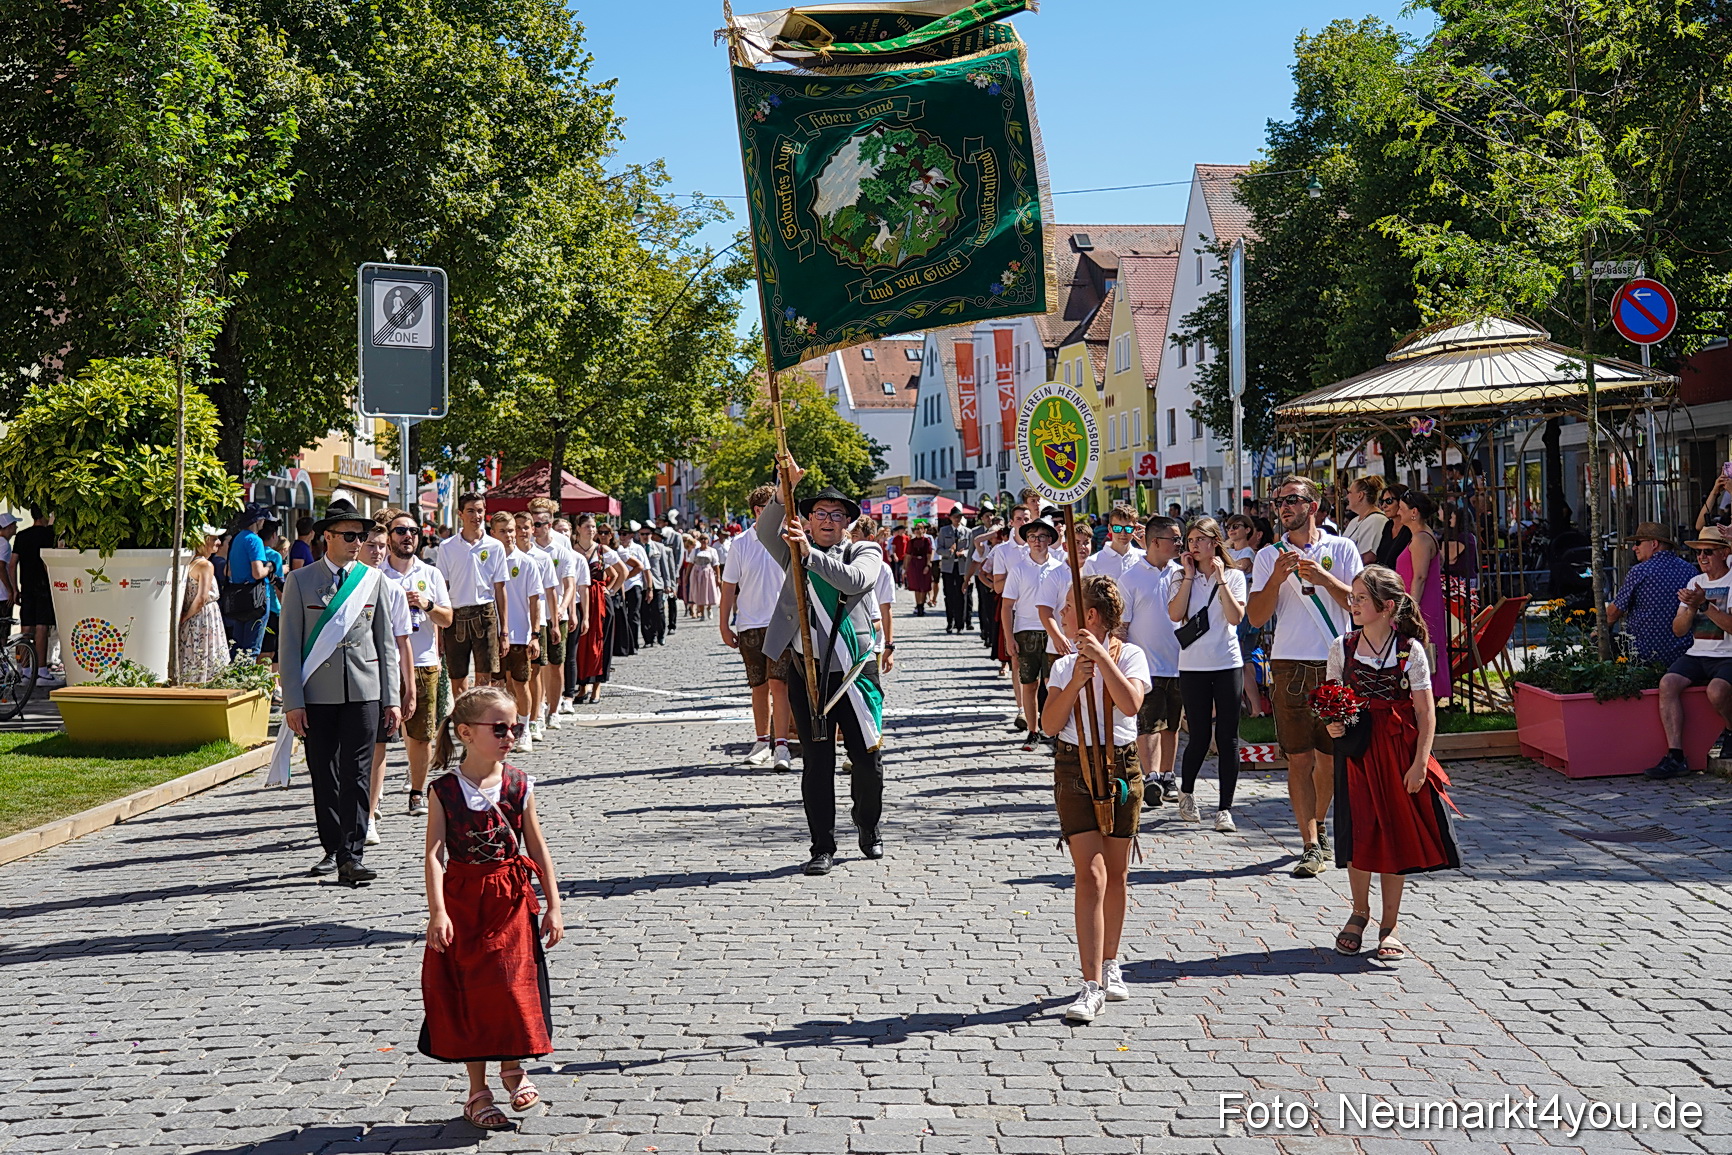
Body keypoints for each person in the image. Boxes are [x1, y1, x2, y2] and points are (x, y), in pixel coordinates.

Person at [420, 686, 562, 1130]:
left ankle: (514, 1068)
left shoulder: (519, 783)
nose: (510, 735)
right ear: (465, 732)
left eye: (514, 727)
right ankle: (477, 1090)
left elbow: (537, 847)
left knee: (513, 984)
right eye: (499, 728)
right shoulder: (444, 789)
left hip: (510, 900)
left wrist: (554, 905)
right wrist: (438, 912)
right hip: (464, 900)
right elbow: (434, 854)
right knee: (470, 992)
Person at [756, 462, 887, 875]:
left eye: (836, 515)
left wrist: (810, 556)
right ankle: (821, 845)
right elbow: (764, 531)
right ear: (808, 519)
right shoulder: (792, 549)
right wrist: (784, 488)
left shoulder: (865, 551)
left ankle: (867, 824)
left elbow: (854, 582)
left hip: (854, 671)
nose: (827, 521)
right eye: (819, 514)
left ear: (849, 522)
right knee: (816, 761)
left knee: (867, 759)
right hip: (806, 668)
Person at [1327, 566, 1461, 962]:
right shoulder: (1343, 646)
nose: (1352, 604)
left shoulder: (1409, 649)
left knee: (1393, 831)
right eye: (1352, 598)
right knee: (1359, 830)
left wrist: (1421, 762)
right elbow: (1332, 698)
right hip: (1357, 750)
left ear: (1386, 607)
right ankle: (1358, 912)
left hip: (1397, 749)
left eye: (1360, 599)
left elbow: (1425, 711)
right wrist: (1332, 722)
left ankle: (1391, 924)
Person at [1039, 575, 1149, 1024]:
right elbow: (1048, 724)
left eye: (1068, 607)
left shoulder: (1134, 655)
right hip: (1073, 766)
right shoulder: (1064, 666)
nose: (1061, 615)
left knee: (1118, 873)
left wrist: (1103, 660)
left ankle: (1111, 961)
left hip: (1121, 766)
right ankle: (1090, 984)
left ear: (1090, 616)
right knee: (1091, 874)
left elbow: (1130, 705)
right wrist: (1075, 683)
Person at [280, 498, 402, 884]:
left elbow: (386, 645)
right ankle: (333, 846)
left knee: (358, 773)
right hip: (318, 694)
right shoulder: (300, 581)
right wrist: (293, 701)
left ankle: (353, 854)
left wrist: (392, 697)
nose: (357, 542)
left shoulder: (372, 580)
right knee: (325, 773)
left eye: (361, 535)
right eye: (349, 535)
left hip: (363, 690)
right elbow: (289, 646)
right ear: (326, 537)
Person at [1248, 475, 1363, 879]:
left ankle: (1321, 826)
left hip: (1333, 663)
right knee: (1297, 759)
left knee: (1329, 760)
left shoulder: (1341, 548)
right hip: (1289, 665)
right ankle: (1310, 843)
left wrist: (1325, 578)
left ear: (1312, 506)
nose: (1282, 507)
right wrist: (1278, 579)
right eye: (1278, 500)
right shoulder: (1268, 556)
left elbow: (1357, 603)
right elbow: (1256, 617)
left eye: (1292, 500)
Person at [1168, 518, 1248, 832]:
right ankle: (1186, 792)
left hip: (1227, 662)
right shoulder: (1179, 576)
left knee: (1228, 737)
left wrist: (1222, 580)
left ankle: (1224, 808)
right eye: (1190, 540)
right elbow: (1175, 615)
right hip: (1192, 665)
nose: (1195, 546)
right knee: (1199, 735)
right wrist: (1188, 577)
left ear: (1215, 541)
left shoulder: (1235, 576)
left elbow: (1235, 617)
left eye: (1201, 539)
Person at [378, 508, 454, 819]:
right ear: (389, 536)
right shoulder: (376, 573)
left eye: (413, 531)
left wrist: (426, 604)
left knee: (421, 733)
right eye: (400, 531)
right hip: (383, 663)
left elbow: (447, 619)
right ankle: (375, 796)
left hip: (423, 661)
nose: (408, 536)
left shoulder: (430, 574)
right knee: (379, 734)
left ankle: (416, 792)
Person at [1648, 526, 1732, 779]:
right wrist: (1691, 608)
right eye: (1698, 552)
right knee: (1668, 683)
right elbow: (1678, 629)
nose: (1702, 557)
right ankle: (1675, 755)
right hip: (1698, 653)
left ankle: (1730, 731)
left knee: (1716, 691)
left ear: (1725, 553)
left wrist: (1704, 605)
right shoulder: (1694, 582)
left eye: (1709, 551)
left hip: (1728, 654)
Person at [721, 485, 795, 770]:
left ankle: (782, 745)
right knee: (758, 686)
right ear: (758, 511)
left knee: (780, 684)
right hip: (750, 623)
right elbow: (728, 587)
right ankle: (762, 741)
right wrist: (724, 624)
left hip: (783, 623)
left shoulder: (789, 539)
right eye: (771, 508)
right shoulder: (741, 543)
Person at [360, 522, 417, 846]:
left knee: (379, 747)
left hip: (384, 679)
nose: (378, 552)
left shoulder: (392, 588)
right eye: (372, 545)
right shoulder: (346, 585)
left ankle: (369, 814)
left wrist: (407, 689)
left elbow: (403, 643)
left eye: (382, 546)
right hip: (353, 679)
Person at [1120, 515, 1184, 802]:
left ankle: (1169, 775)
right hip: (1145, 664)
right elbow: (1121, 626)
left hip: (1180, 662)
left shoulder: (1181, 573)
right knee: (1148, 725)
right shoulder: (1130, 578)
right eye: (1175, 539)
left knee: (1173, 724)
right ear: (1156, 542)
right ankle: (1151, 776)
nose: (1180, 544)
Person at [435, 493, 509, 694]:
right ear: (460, 514)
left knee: (484, 680)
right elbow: (441, 587)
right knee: (457, 678)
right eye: (471, 511)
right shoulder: (447, 546)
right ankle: (462, 721)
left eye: (480, 511)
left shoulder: (495, 546)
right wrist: (438, 631)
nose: (476, 516)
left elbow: (500, 589)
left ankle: (480, 723)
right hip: (456, 614)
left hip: (485, 612)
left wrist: (504, 631)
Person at [1001, 517, 1064, 750]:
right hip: (1026, 631)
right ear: (1026, 541)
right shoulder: (1019, 569)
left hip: (1054, 631)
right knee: (1030, 684)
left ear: (1050, 539)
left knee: (1054, 683)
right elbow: (1007, 606)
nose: (1037, 541)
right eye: (1032, 537)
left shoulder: (1060, 567)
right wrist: (1009, 638)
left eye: (1042, 536)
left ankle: (1054, 729)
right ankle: (1033, 730)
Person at [1608, 522, 1696, 666]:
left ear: (1654, 544)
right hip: (1683, 653)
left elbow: (1614, 612)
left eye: (1638, 543)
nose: (1634, 547)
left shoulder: (1640, 571)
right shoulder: (1690, 570)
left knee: (1602, 641)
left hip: (1644, 653)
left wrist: (1598, 631)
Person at [1393, 491, 1450, 701]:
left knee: (1422, 647)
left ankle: (1425, 696)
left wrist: (1410, 609)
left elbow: (1419, 577)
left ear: (1414, 512)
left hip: (1421, 604)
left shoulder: (1420, 539)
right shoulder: (1423, 537)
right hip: (1422, 601)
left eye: (1402, 508)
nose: (1398, 512)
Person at [529, 499, 581, 729]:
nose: (535, 528)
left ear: (549, 524)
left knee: (556, 662)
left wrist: (565, 610)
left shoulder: (561, 547)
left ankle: (554, 707)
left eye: (540, 524)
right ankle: (538, 707)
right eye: (533, 523)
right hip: (535, 612)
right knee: (537, 664)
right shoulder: (526, 546)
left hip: (556, 611)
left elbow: (569, 584)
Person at [495, 512, 544, 753]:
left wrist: (535, 634)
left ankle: (524, 730)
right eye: (503, 531)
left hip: (519, 633)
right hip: (493, 634)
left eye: (512, 530)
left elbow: (535, 601)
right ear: (493, 533)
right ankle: (501, 730)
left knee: (520, 683)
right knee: (497, 686)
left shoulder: (526, 562)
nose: (509, 536)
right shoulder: (489, 560)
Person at [570, 515, 616, 704]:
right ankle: (582, 686)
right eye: (587, 526)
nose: (591, 530)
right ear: (578, 528)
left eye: (593, 527)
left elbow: (620, 572)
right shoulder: (571, 551)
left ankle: (597, 686)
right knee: (581, 644)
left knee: (601, 643)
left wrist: (608, 589)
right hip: (580, 599)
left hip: (600, 601)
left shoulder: (602, 550)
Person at [10, 508, 57, 683]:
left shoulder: (22, 535)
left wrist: (14, 589)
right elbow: (48, 563)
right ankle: (42, 670)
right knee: (42, 627)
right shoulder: (48, 535)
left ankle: (24, 670)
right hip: (44, 586)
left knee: (26, 627)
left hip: (26, 585)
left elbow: (12, 564)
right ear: (46, 514)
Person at [223, 504, 274, 659]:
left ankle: (236, 680)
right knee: (252, 649)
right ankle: (247, 682)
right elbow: (258, 573)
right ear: (257, 520)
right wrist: (271, 567)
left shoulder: (237, 538)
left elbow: (228, 571)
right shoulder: (254, 540)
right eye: (263, 518)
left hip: (237, 597)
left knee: (238, 646)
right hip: (255, 598)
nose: (264, 522)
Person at [178, 526, 228, 683]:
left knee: (193, 656)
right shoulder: (206, 565)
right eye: (214, 539)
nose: (218, 542)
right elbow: (201, 598)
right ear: (204, 541)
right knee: (208, 657)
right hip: (205, 617)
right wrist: (186, 617)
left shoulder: (189, 562)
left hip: (193, 615)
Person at [1083, 505, 1143, 585]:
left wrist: (1147, 545)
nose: (1123, 533)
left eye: (1128, 528)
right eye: (1117, 528)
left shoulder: (1144, 558)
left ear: (1135, 529)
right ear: (1109, 528)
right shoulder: (1093, 562)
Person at [635, 522, 672, 647]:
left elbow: (665, 567)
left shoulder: (659, 547)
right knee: (645, 613)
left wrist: (668, 584)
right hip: (641, 584)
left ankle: (661, 634)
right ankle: (648, 639)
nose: (645, 536)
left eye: (648, 534)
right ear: (639, 535)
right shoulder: (635, 548)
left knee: (658, 611)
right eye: (643, 534)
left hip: (657, 584)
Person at [936, 507, 971, 633]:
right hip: (948, 568)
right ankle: (950, 622)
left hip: (962, 568)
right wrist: (949, 552)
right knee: (949, 595)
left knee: (961, 595)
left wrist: (964, 553)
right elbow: (938, 549)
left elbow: (971, 550)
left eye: (960, 517)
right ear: (950, 518)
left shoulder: (967, 532)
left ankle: (960, 624)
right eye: (955, 517)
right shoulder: (944, 531)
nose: (958, 519)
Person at [617, 522, 648, 655]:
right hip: (620, 585)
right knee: (622, 615)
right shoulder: (616, 549)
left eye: (625, 534)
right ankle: (625, 643)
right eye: (620, 534)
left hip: (634, 584)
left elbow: (645, 568)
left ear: (631, 535)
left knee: (633, 615)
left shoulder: (638, 549)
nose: (622, 537)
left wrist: (649, 587)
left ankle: (634, 643)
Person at [1343, 477, 1387, 565]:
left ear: (1360, 495)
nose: (1347, 496)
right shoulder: (1354, 521)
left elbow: (1368, 557)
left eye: (1350, 492)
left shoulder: (1376, 520)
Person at [659, 513, 686, 631]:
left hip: (672, 572)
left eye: (659, 521)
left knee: (671, 598)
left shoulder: (675, 536)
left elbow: (679, 556)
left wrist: (676, 573)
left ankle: (672, 624)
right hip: (660, 572)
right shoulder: (657, 535)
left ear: (666, 522)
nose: (657, 523)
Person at [1373, 487, 1412, 569]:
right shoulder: (1388, 525)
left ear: (1401, 502)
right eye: (1382, 501)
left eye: (1389, 501)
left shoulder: (1410, 528)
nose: (1384, 506)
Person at [686, 534, 721, 620]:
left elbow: (716, 565)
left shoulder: (712, 551)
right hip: (697, 573)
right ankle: (701, 613)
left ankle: (709, 608)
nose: (703, 541)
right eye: (702, 539)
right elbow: (690, 564)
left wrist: (718, 577)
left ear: (708, 540)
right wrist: (686, 576)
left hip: (708, 572)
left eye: (705, 539)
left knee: (708, 591)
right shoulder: (695, 551)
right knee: (698, 592)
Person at [904, 521, 935, 615]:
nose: (917, 531)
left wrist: (928, 565)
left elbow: (929, 554)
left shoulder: (926, 541)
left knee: (924, 586)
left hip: (923, 563)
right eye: (916, 529)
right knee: (916, 586)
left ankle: (922, 604)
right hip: (914, 564)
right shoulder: (911, 542)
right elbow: (908, 555)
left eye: (919, 528)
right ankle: (918, 605)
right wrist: (906, 568)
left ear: (923, 530)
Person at [0, 512, 15, 624]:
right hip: (3, 594)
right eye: (14, 524)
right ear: (9, 526)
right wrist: (10, 590)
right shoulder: (4, 544)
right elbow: (1, 567)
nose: (16, 527)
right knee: (4, 629)